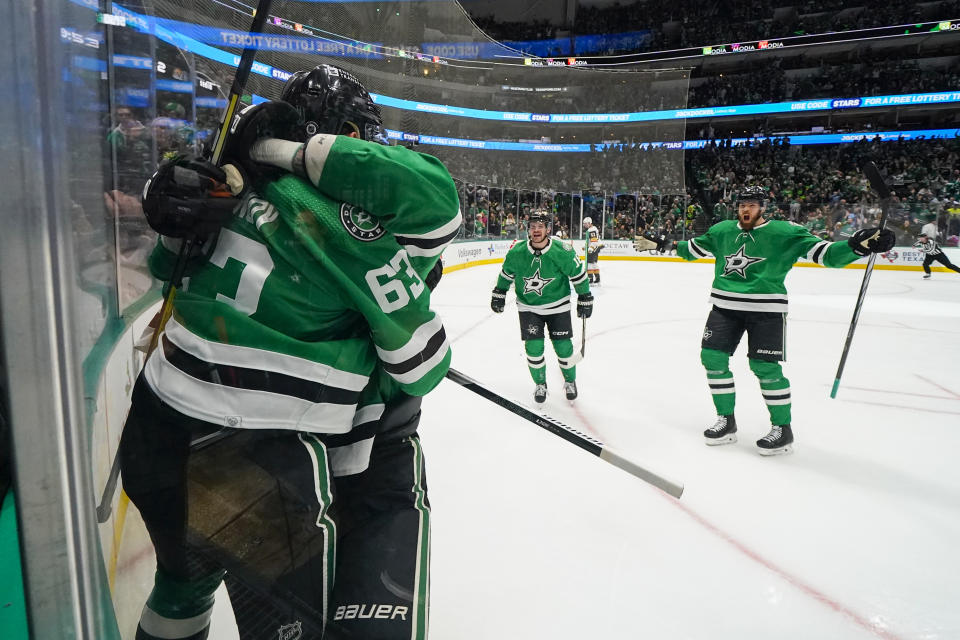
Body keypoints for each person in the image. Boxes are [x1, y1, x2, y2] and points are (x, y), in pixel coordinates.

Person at [120, 64, 460, 640]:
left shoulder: (230, 187)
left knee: (181, 589)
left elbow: (161, 263)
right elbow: (422, 364)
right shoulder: (350, 225)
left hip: (156, 425)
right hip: (268, 455)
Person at [645, 186, 893, 455]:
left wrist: (856, 247)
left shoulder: (786, 232)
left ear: (763, 208)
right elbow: (692, 249)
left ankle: (782, 429)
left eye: (751, 205)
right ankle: (726, 421)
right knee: (712, 359)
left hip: (766, 311)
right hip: (724, 307)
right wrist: (663, 244)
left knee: (765, 367)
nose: (745, 209)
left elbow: (827, 255)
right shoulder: (723, 230)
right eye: (741, 204)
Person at [490, 212, 593, 403]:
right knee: (533, 348)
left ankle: (570, 381)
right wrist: (499, 292)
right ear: (528, 229)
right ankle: (540, 384)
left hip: (558, 306)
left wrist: (585, 296)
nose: (536, 230)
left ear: (547, 229)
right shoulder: (517, 252)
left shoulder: (562, 250)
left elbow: (578, 274)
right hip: (529, 308)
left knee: (564, 348)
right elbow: (506, 274)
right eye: (532, 226)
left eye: (540, 226)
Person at [915, 213, 960, 279]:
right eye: (935, 220)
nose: (936, 222)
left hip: (936, 251)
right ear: (932, 220)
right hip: (930, 251)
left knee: (948, 265)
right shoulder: (926, 226)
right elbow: (923, 235)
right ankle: (928, 273)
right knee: (925, 264)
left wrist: (940, 235)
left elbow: (936, 234)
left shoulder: (934, 226)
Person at [583, 216, 603, 285]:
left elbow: (594, 241)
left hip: (594, 247)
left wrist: (591, 248)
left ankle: (590, 280)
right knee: (594, 263)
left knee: (590, 263)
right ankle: (598, 279)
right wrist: (586, 246)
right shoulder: (593, 229)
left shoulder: (591, 230)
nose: (584, 225)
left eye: (585, 223)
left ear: (589, 223)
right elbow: (591, 240)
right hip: (597, 247)